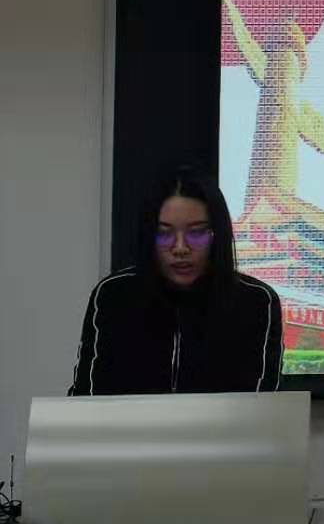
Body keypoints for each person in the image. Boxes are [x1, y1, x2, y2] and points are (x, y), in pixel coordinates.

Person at [68, 168, 283, 395]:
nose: (180, 248)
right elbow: (85, 398)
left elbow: (262, 405)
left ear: (218, 235)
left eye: (196, 233)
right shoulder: (113, 295)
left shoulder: (256, 302)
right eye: (164, 234)